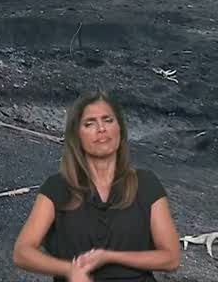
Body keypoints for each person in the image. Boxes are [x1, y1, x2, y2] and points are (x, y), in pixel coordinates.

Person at [13, 92, 180, 281]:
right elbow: (22, 252)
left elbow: (171, 258)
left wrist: (110, 256)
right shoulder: (57, 187)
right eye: (89, 123)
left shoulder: (146, 183)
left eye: (108, 120)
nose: (101, 128)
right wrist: (69, 270)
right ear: (77, 136)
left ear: (120, 129)